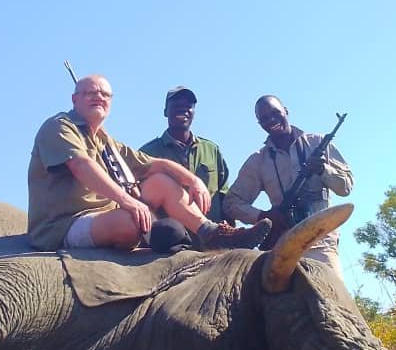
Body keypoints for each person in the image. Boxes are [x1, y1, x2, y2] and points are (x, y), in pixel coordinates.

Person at [27, 74, 271, 253]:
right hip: (68, 222)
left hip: (107, 214)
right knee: (140, 223)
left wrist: (193, 180)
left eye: (104, 94)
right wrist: (128, 202)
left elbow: (157, 165)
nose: (98, 97)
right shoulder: (59, 126)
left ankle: (212, 233)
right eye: (90, 93)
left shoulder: (107, 142)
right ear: (75, 99)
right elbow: (81, 166)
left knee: (162, 182)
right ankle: (159, 237)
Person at [225, 95, 353, 270]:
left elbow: (345, 187)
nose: (271, 120)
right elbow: (232, 203)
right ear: (260, 124)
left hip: (321, 243)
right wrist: (264, 217)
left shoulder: (317, 143)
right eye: (264, 118)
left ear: (286, 111)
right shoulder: (258, 160)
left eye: (275, 112)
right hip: (282, 246)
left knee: (331, 295)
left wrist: (323, 170)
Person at [139, 86, 232, 224]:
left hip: (214, 240)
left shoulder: (212, 150)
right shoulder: (147, 153)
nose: (183, 109)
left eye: (188, 106)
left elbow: (225, 196)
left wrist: (230, 229)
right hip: (171, 241)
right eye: (176, 105)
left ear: (194, 112)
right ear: (165, 112)